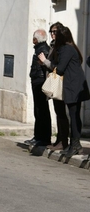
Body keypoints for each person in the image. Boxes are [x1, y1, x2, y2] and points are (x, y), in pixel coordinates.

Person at [51, 25, 89, 157]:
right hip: (75, 85)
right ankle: (74, 144)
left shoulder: (67, 49)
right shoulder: (70, 48)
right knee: (74, 115)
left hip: (74, 86)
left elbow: (60, 69)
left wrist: (48, 64)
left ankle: (75, 144)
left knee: (73, 116)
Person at [38, 22, 69, 151]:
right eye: (51, 31)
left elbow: (58, 66)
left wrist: (45, 61)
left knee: (62, 113)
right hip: (54, 82)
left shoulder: (63, 47)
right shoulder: (53, 45)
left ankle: (64, 140)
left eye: (55, 32)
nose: (52, 34)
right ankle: (58, 139)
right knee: (57, 111)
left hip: (61, 83)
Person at [24, 29, 52, 147]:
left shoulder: (42, 50)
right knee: (38, 110)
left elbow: (44, 67)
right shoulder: (40, 48)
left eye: (33, 37)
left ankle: (43, 138)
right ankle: (38, 136)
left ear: (36, 39)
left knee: (41, 110)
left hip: (40, 82)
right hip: (37, 81)